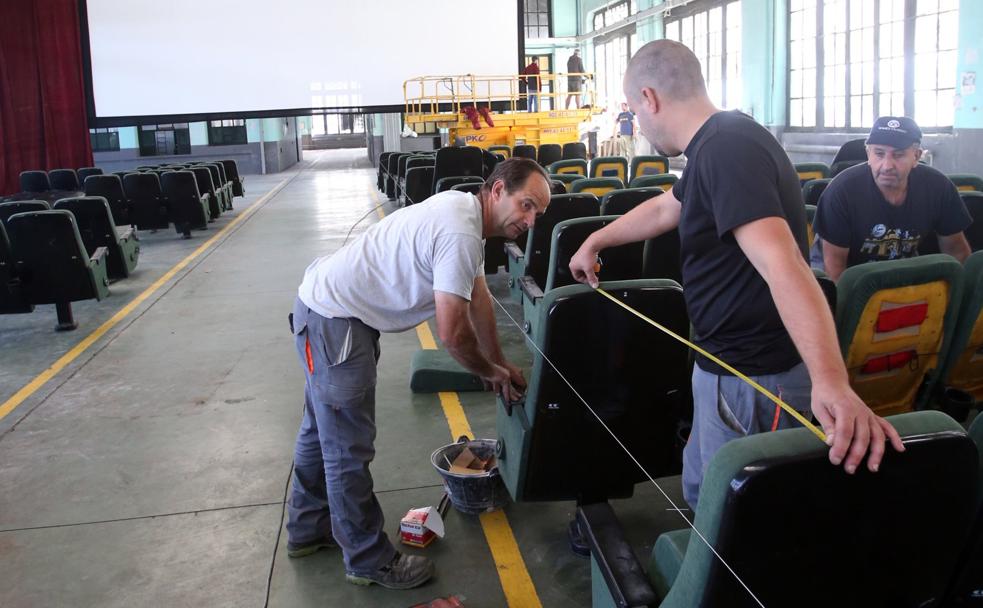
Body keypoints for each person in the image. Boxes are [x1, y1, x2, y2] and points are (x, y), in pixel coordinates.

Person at [568, 40, 905, 509]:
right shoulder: (721, 140)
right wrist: (597, 240)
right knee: (702, 493)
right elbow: (669, 206)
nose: (638, 123)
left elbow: (782, 264)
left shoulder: (727, 150)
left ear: (650, 99)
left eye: (633, 110)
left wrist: (831, 381)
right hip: (729, 371)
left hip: (755, 380)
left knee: (737, 516)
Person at [288, 158, 552, 588]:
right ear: (498, 190)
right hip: (336, 321)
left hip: (328, 313)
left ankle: (307, 529)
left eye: (538, 213)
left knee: (321, 433)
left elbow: (479, 298)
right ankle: (366, 558)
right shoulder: (459, 230)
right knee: (346, 449)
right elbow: (451, 332)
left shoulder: (464, 212)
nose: (530, 220)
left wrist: (500, 364)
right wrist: (488, 372)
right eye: (526, 205)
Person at [812, 116, 971, 281]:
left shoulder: (939, 187)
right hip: (843, 271)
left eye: (898, 155)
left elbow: (957, 252)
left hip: (898, 267)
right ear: (868, 154)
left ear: (916, 157)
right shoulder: (841, 192)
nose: (887, 166)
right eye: (879, 154)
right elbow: (835, 268)